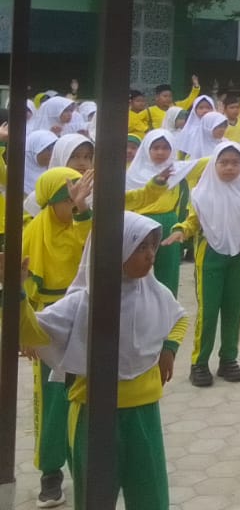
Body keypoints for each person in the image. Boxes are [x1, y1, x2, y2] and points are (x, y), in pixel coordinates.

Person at [31, 211, 187, 510]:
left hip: (144, 412)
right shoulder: (82, 302)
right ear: (116, 250)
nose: (151, 255)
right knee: (95, 495)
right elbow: (34, 329)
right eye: (141, 247)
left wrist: (168, 347)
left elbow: (178, 317)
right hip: (94, 414)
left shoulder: (154, 292)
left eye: (153, 246)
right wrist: (16, 295)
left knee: (150, 493)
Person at [161, 142, 240, 387]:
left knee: (233, 310)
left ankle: (229, 359)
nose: (229, 168)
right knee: (208, 311)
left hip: (237, 255)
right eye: (224, 162)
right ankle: (199, 362)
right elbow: (192, 221)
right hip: (210, 255)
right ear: (214, 164)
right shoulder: (202, 193)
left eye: (235, 163)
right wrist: (180, 231)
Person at [23, 167, 94, 507]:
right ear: (51, 202)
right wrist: (27, 333)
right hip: (49, 324)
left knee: (88, 395)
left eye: (78, 196)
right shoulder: (35, 233)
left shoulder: (85, 226)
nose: (74, 203)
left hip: (84, 317)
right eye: (67, 199)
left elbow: (98, 253)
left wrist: (83, 211)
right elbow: (21, 288)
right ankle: (51, 472)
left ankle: (89, 464)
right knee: (53, 400)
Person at [124, 131, 199, 296]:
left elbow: (204, 164)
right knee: (137, 267)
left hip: (169, 221)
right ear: (147, 149)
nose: (160, 152)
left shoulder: (178, 171)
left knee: (169, 271)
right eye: (156, 147)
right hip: (140, 222)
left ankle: (168, 309)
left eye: (166, 148)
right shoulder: (132, 174)